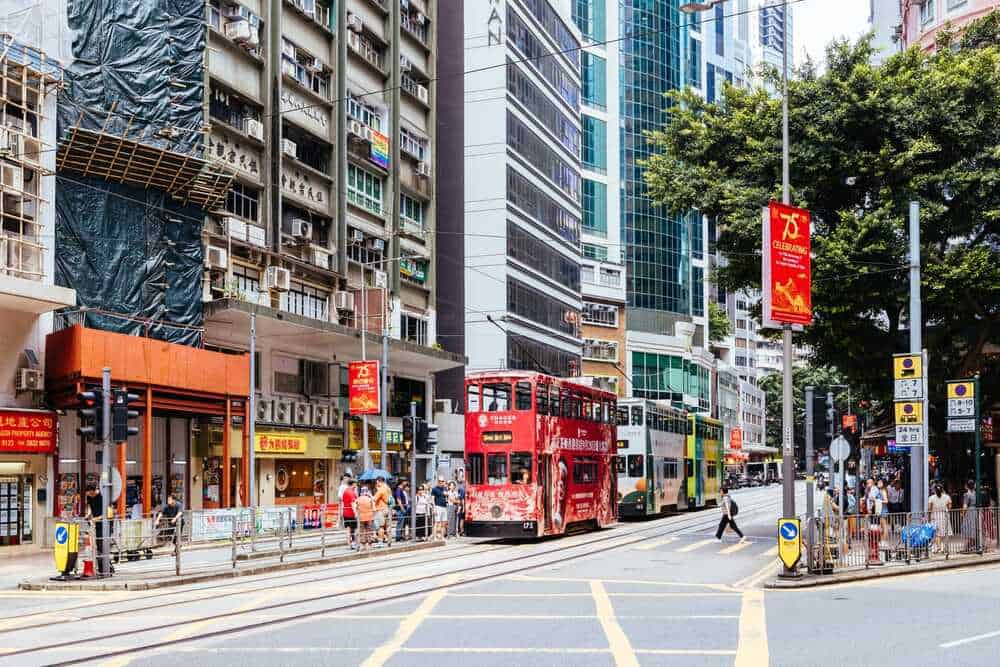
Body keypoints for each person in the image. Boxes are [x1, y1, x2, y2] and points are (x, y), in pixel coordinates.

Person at [84, 484, 110, 574]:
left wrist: (97, 518)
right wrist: (88, 515)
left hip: (104, 525)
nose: (89, 496)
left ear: (94, 491)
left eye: (91, 494)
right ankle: (102, 568)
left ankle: (106, 567)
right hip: (95, 524)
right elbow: (90, 508)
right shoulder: (90, 497)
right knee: (97, 547)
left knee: (102, 546)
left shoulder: (102, 497)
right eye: (88, 495)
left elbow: (107, 513)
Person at [928, 484, 952, 553]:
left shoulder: (931, 498)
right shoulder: (947, 497)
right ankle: (944, 547)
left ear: (935, 490)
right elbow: (949, 507)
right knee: (945, 533)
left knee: (937, 534)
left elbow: (929, 508)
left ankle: (939, 547)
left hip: (935, 516)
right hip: (944, 515)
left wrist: (929, 517)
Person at [354, 487, 376, 551]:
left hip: (361, 518)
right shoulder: (370, 499)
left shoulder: (358, 499)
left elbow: (355, 508)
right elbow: (374, 509)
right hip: (369, 517)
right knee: (369, 531)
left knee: (362, 531)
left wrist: (356, 514)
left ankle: (363, 545)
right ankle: (369, 545)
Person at [373, 478, 392, 546]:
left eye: (377, 482)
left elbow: (374, 499)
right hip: (387, 508)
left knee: (380, 527)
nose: (376, 484)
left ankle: (380, 542)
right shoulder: (388, 488)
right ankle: (389, 540)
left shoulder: (381, 489)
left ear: (379, 481)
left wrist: (370, 496)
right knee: (387, 526)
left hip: (381, 509)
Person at [341, 478, 358, 549]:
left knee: (348, 529)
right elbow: (353, 503)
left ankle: (349, 544)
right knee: (355, 529)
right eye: (355, 484)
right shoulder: (351, 492)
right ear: (353, 484)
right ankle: (355, 543)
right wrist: (356, 513)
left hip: (345, 512)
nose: (356, 485)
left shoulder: (345, 491)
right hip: (351, 513)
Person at [961, 480, 978, 550]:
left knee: (967, 528)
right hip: (975, 511)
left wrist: (962, 513)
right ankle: (972, 546)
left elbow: (965, 506)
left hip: (969, 512)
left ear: (967, 486)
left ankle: (966, 547)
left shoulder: (966, 494)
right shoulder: (976, 493)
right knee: (973, 528)